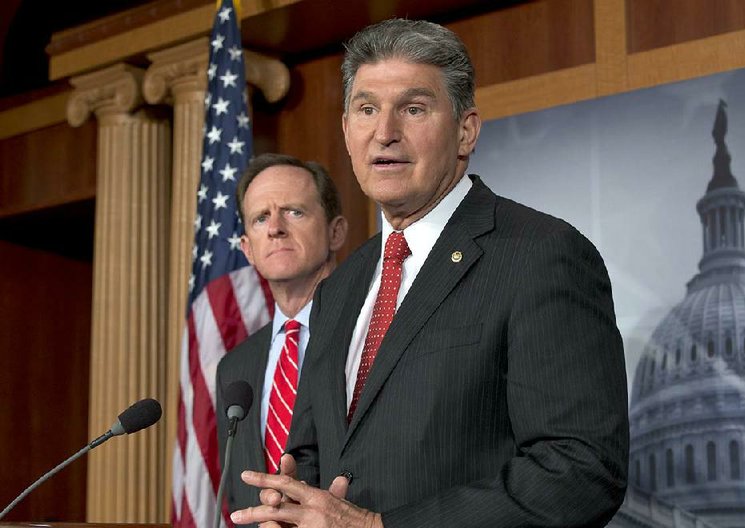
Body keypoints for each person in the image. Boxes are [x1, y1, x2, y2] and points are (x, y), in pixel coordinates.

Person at [231, 18, 629, 528]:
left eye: (413, 109)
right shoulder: (341, 288)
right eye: (367, 109)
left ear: (466, 131)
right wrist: (292, 508)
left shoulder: (541, 255)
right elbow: (313, 454)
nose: (385, 132)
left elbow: (581, 471)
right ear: (347, 131)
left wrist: (380, 527)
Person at [215, 153, 348, 516]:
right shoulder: (234, 368)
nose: (275, 227)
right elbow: (238, 495)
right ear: (248, 249)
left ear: (336, 231)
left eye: (293, 212)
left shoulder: (367, 334)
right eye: (261, 218)